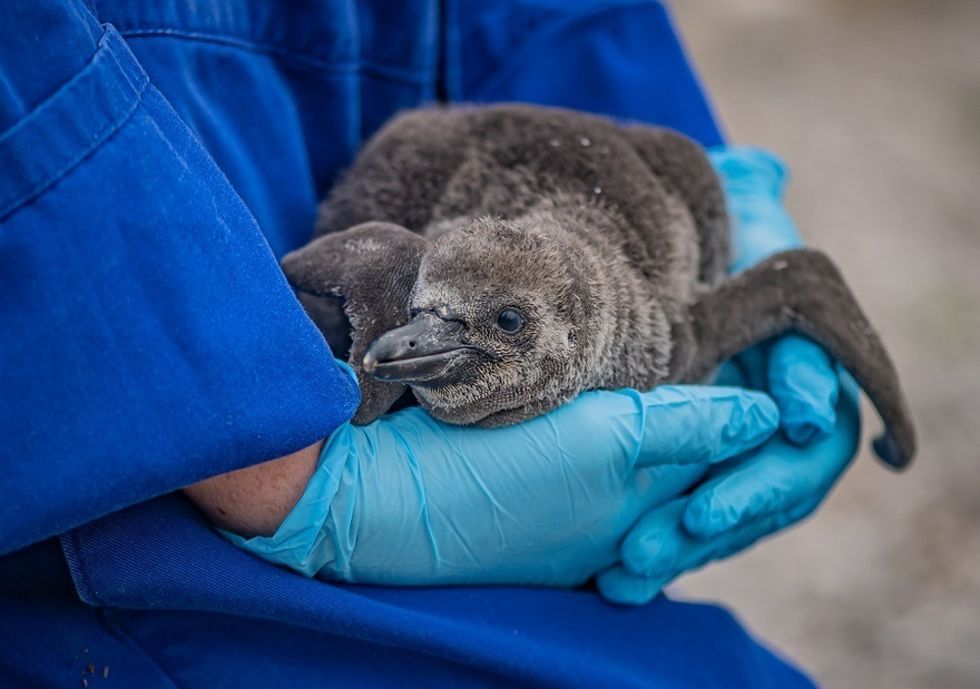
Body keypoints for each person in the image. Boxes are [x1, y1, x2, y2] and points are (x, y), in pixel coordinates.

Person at [0, 1, 860, 686]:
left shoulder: (656, 331)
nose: (415, 341)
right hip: (137, 499)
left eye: (505, 328)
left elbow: (563, 54)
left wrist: (714, 203)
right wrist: (278, 473)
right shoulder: (398, 286)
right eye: (423, 310)